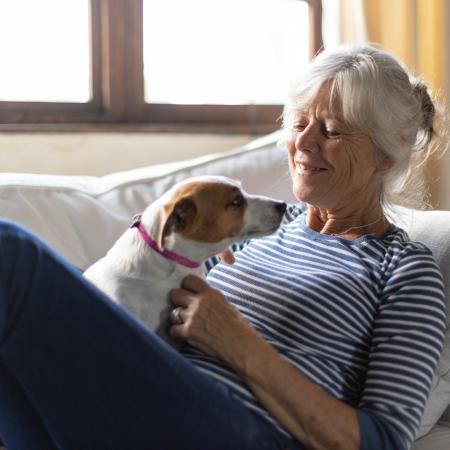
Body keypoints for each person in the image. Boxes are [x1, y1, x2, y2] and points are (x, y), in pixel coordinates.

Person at [0, 43, 446, 450]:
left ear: (387, 152)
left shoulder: (405, 271)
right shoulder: (253, 229)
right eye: (298, 123)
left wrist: (235, 341)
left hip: (241, 433)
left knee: (12, 254)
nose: (303, 144)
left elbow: (384, 441)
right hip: (146, 405)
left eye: (330, 130)